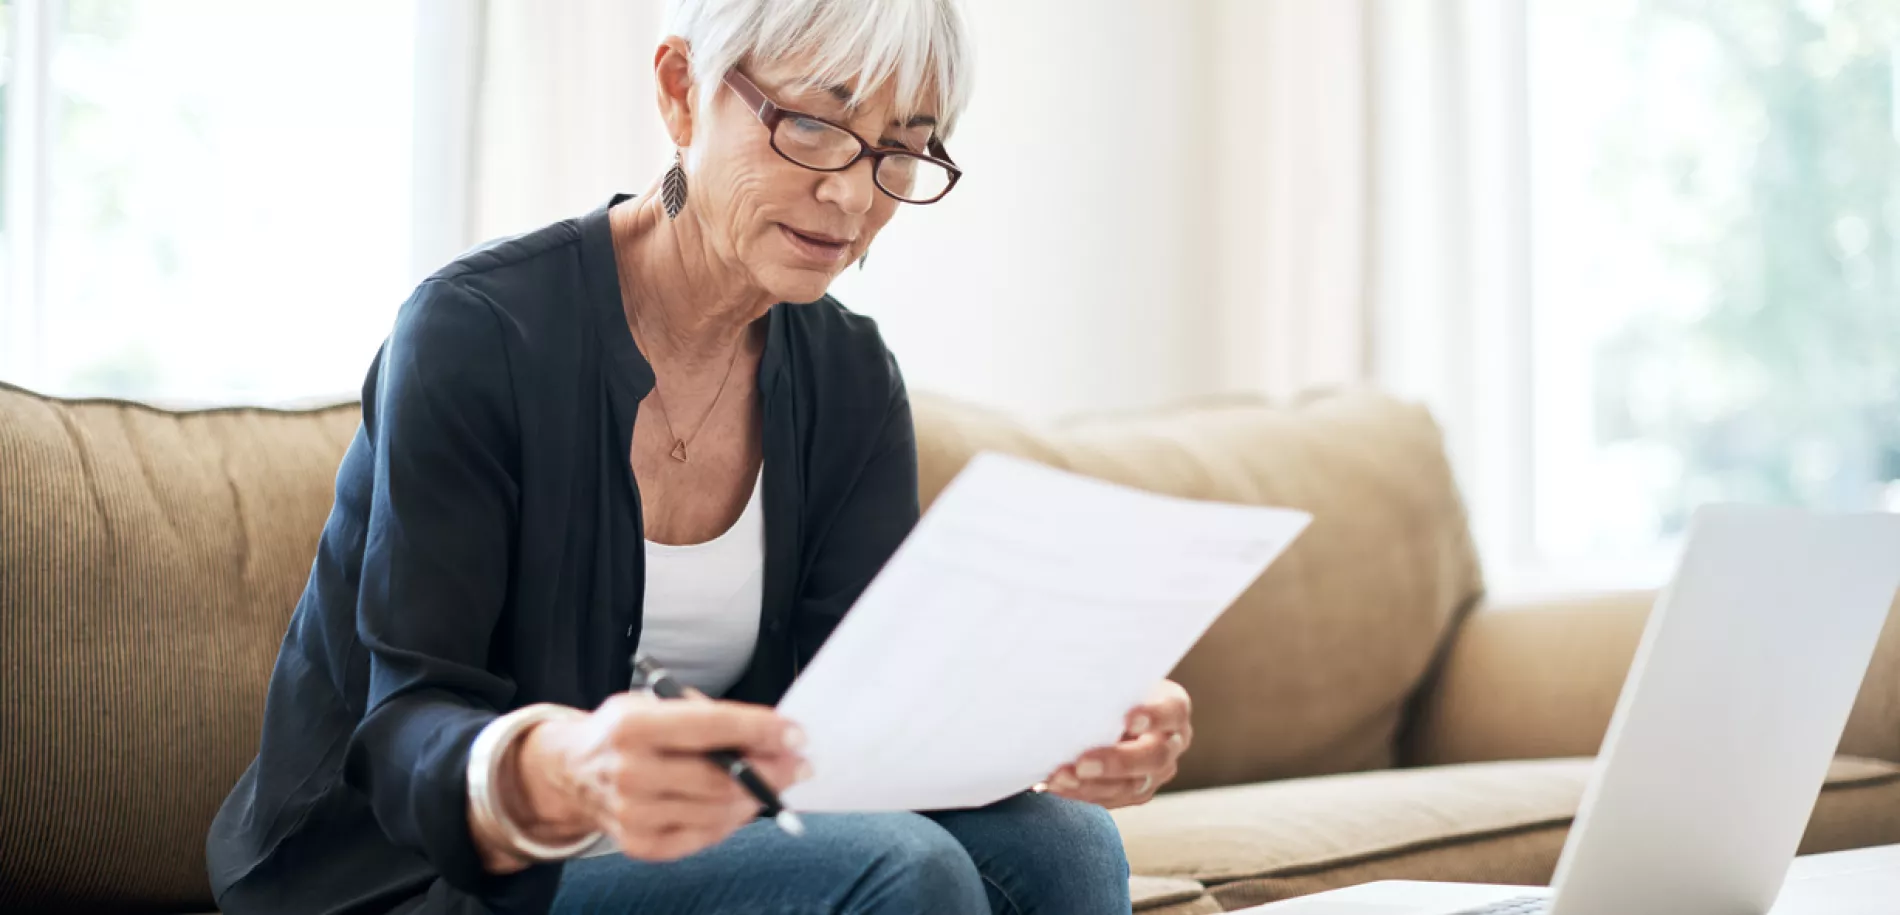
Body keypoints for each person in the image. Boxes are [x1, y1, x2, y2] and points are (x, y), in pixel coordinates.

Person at [207, 0, 1193, 911]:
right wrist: (567, 765)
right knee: (908, 867)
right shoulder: (477, 333)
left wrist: (1059, 719)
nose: (852, 196)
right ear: (681, 90)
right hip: (410, 867)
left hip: (697, 839)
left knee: (1069, 843)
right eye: (812, 123)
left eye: (902, 150)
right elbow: (407, 719)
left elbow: (850, 711)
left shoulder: (850, 379)